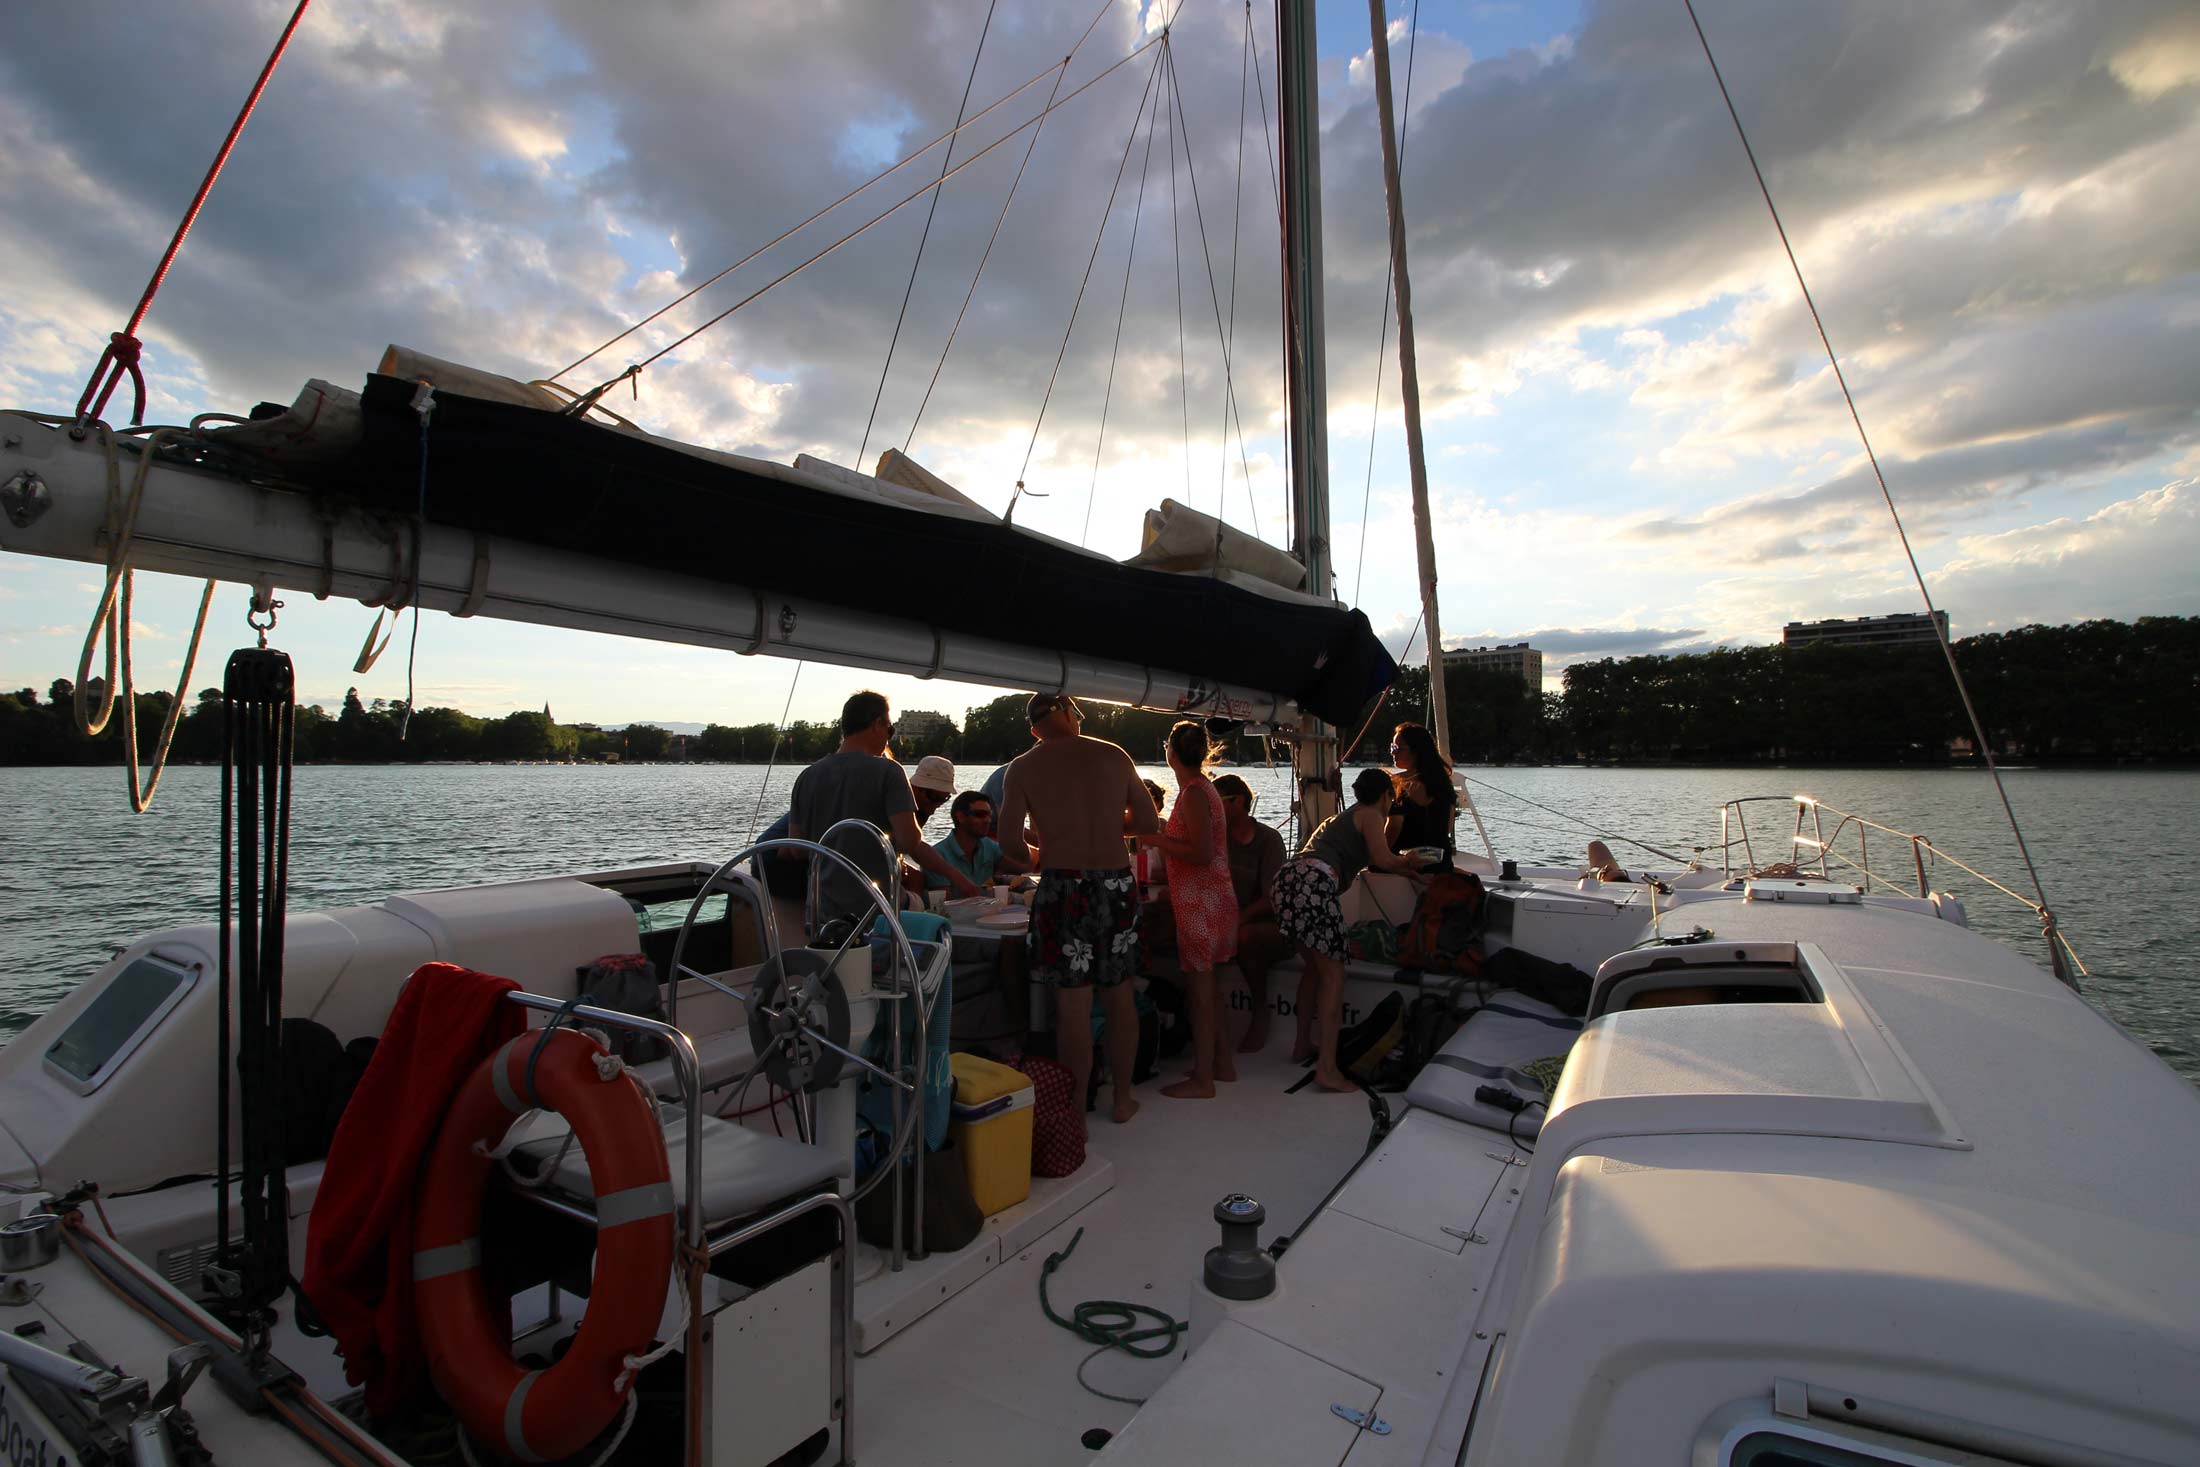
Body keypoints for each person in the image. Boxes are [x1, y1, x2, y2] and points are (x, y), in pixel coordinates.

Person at [999, 692, 1160, 1124]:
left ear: (1035, 730)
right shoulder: (1114, 754)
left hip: (1061, 886)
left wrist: (1044, 846)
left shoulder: (1023, 767)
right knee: (1120, 995)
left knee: (1073, 1007)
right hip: (1115, 885)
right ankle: (1122, 1099)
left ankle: (1076, 1115)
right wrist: (1107, 824)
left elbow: (1010, 843)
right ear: (1071, 715)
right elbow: (1148, 823)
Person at [1271, 767, 1423, 1092]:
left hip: (1288, 881)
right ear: (1386, 795)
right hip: (1314, 884)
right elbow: (1383, 859)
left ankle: (1301, 1045)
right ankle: (1327, 1069)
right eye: (1392, 797)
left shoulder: (1339, 819)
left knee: (1314, 969)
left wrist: (1405, 870)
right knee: (1334, 975)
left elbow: (1367, 859)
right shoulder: (1371, 814)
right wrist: (1409, 860)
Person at [789, 690, 979, 931]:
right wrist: (957, 877)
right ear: (877, 724)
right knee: (936, 925)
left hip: (821, 920)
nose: (889, 738)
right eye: (890, 730)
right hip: (875, 918)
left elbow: (796, 849)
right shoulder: (889, 772)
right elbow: (910, 842)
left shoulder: (806, 777)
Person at [1145, 723, 1238, 1099]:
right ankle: (1222, 1064)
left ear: (1170, 752)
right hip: (1208, 899)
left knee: (1200, 992)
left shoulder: (1195, 793)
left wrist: (1156, 840)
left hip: (1202, 903)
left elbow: (1201, 853)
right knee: (1208, 988)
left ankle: (1203, 1079)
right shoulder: (1200, 789)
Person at [1211, 774, 1294, 1054]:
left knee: (1245, 937)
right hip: (1228, 919)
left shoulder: (1269, 840)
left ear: (1238, 801)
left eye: (1217, 803)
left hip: (1273, 926)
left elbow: (1272, 897)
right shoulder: (1216, 840)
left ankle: (1260, 1012)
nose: (1211, 810)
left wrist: (1236, 922)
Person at [928, 789, 1031, 889]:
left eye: (990, 815)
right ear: (960, 817)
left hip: (989, 900)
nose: (988, 820)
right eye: (980, 815)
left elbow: (1023, 869)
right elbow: (942, 899)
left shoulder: (989, 846)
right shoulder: (937, 856)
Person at [1387, 722, 1457, 861]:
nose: (1392, 752)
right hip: (1440, 860)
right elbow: (1448, 828)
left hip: (1408, 861)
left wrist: (1377, 856)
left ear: (1416, 751)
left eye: (1397, 748)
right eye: (1392, 747)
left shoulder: (1401, 784)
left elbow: (1394, 826)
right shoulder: (1444, 783)